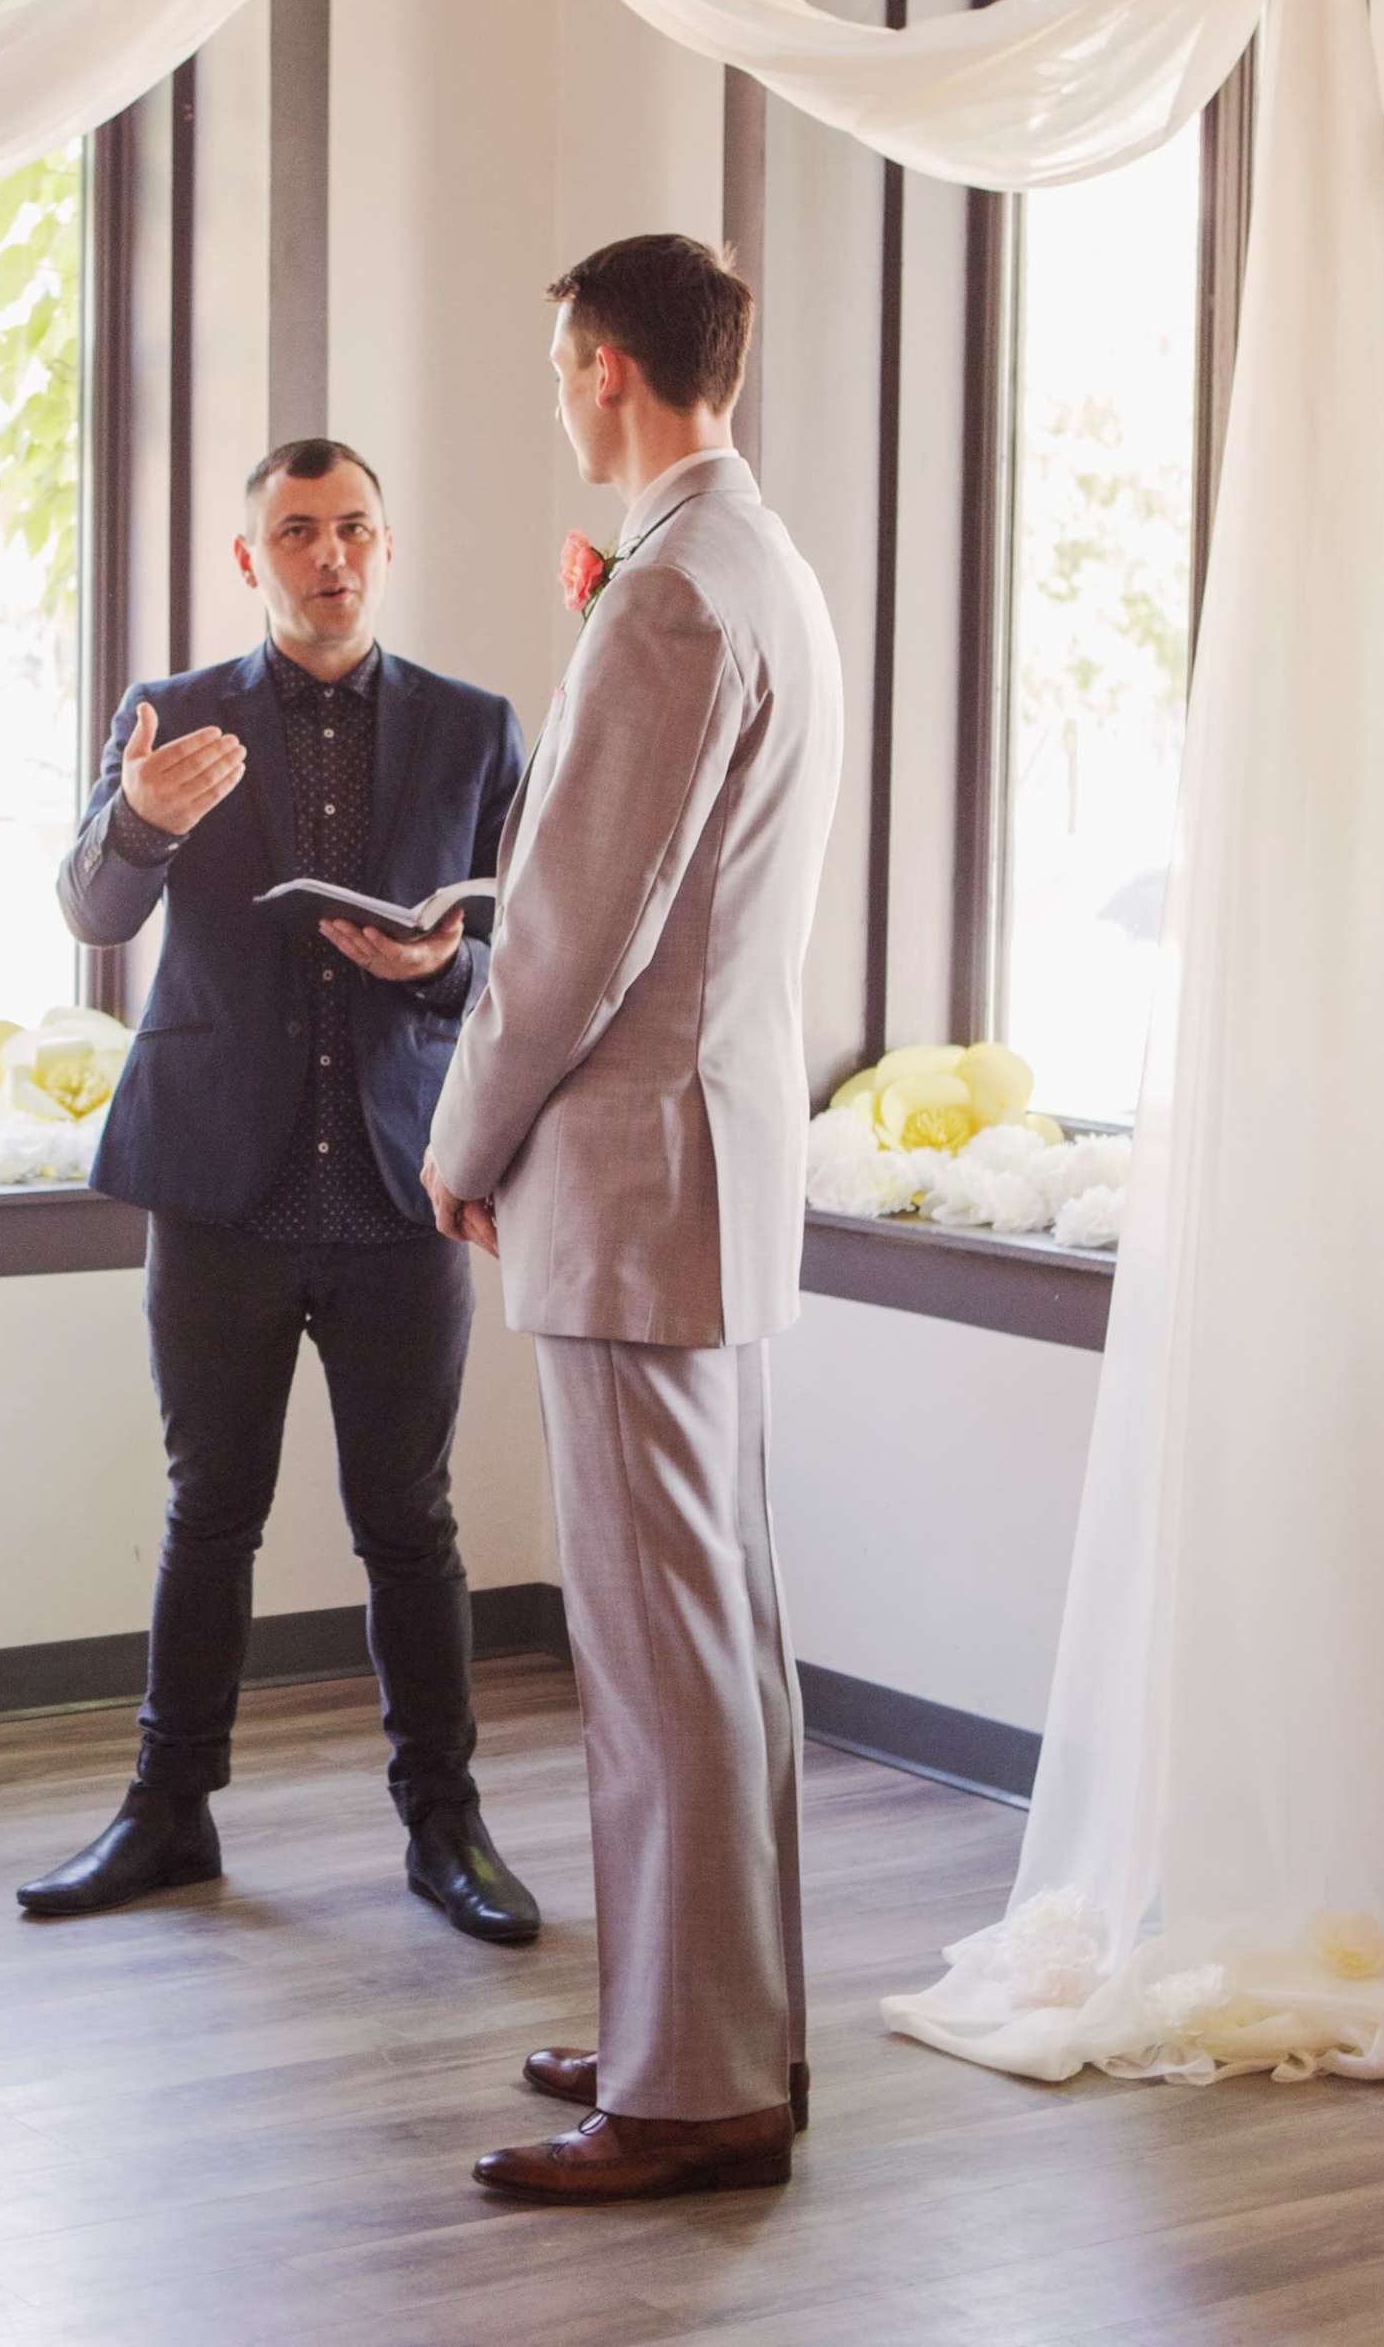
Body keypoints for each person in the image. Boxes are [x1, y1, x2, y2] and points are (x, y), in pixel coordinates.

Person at [424, 237, 846, 2203]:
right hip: (717, 1166)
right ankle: (716, 2019)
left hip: (630, 1175)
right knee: (716, 1629)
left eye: (558, 370)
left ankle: (691, 2087)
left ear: (603, 367)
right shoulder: (765, 564)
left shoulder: (671, 592)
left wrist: (461, 1133)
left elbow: (578, 935)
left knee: (658, 1642)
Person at [17, 437, 540, 1946]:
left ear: (389, 546)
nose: (331, 556)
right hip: (218, 1186)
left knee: (410, 1523)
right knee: (209, 1513)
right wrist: (145, 824)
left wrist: (454, 961)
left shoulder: (474, 729)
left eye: (356, 528)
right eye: (299, 531)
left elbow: (535, 947)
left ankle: (447, 1832)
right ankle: (165, 1816)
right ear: (250, 559)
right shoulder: (172, 714)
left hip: (396, 1186)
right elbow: (92, 909)